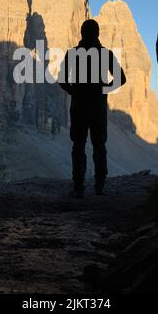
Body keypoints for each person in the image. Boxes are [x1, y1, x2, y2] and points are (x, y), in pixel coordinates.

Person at [58, 19, 126, 198]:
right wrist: (103, 91)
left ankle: (79, 187)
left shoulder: (72, 54)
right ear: (97, 34)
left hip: (79, 106)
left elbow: (63, 81)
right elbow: (121, 79)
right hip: (98, 107)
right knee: (99, 145)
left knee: (78, 145)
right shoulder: (105, 54)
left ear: (81, 33)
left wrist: (75, 92)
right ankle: (99, 186)